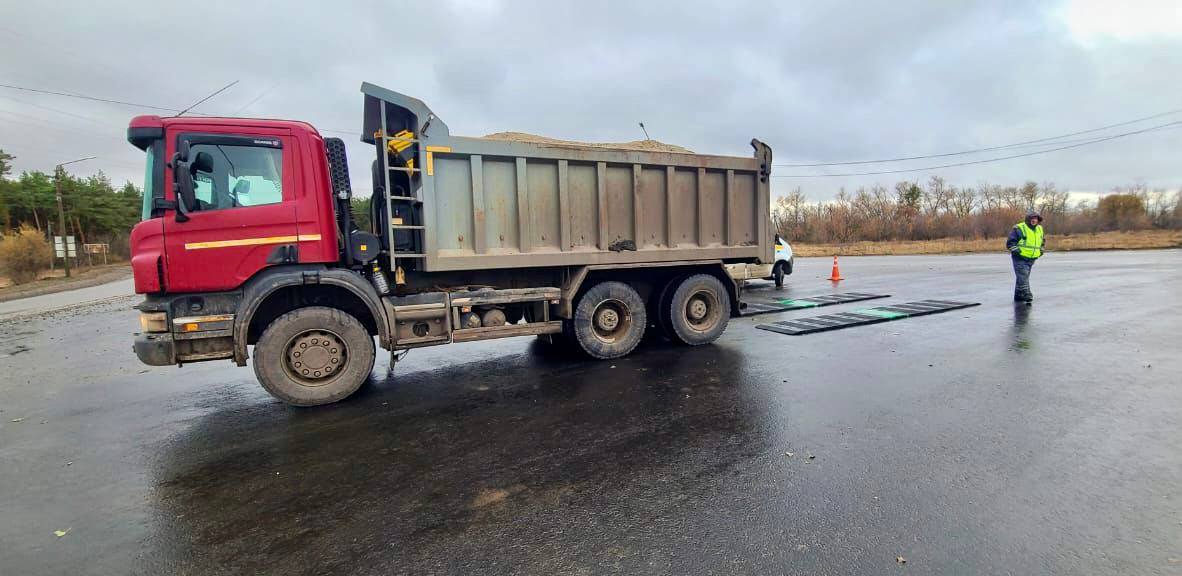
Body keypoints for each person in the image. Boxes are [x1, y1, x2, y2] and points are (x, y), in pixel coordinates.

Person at [1006, 209, 1045, 302]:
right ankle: (1027, 294)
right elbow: (1010, 243)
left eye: (1036, 218)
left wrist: (1041, 251)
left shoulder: (1039, 229)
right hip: (1020, 258)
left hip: (1031, 258)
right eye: (1032, 218)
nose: (1034, 220)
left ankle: (1019, 296)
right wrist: (1018, 252)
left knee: (1023, 277)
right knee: (1023, 277)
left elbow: (1042, 241)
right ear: (1028, 219)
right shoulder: (1019, 228)